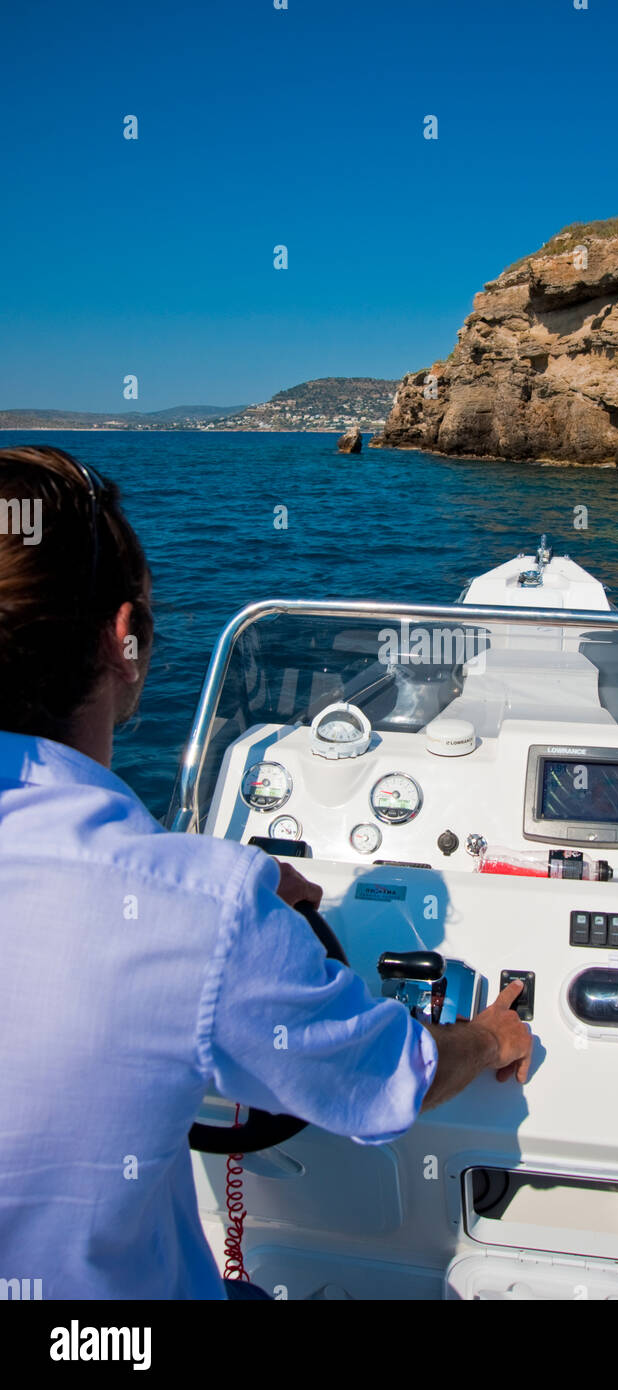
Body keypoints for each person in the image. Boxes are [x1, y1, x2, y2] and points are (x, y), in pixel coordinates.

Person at [0, 446, 532, 1300]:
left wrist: (208, 881)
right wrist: (492, 1036)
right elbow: (388, 1080)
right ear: (125, 640)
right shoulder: (197, 911)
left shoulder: (197, 896)